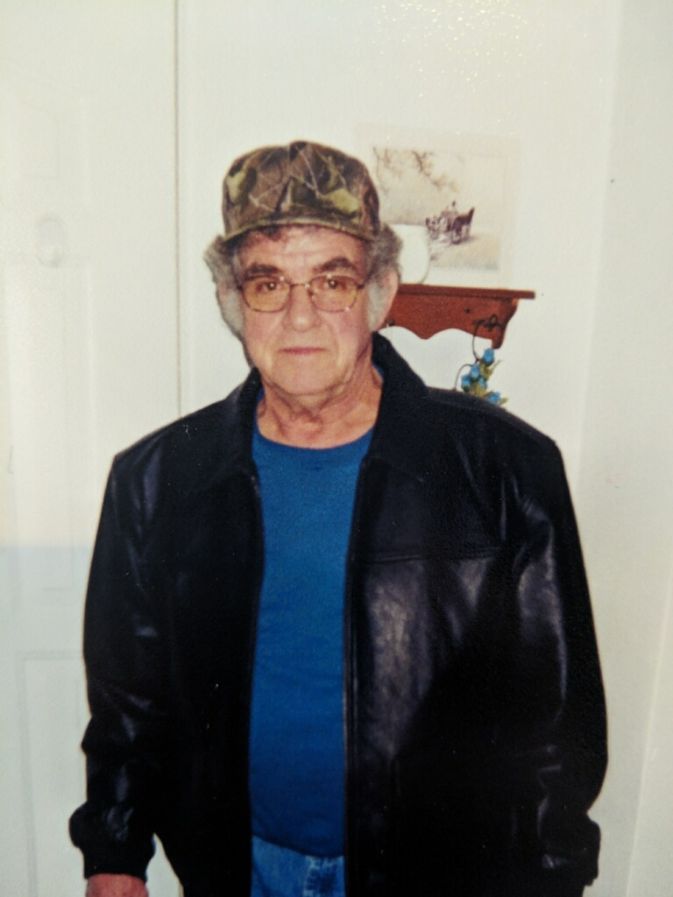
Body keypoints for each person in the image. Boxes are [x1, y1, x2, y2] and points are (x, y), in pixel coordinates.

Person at [70, 141, 607, 897]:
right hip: (238, 870)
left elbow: (555, 721)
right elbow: (128, 702)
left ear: (379, 293)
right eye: (268, 282)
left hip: (441, 877)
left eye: (332, 280)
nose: (300, 315)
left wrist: (554, 880)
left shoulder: (505, 471)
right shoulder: (155, 482)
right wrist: (114, 855)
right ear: (232, 301)